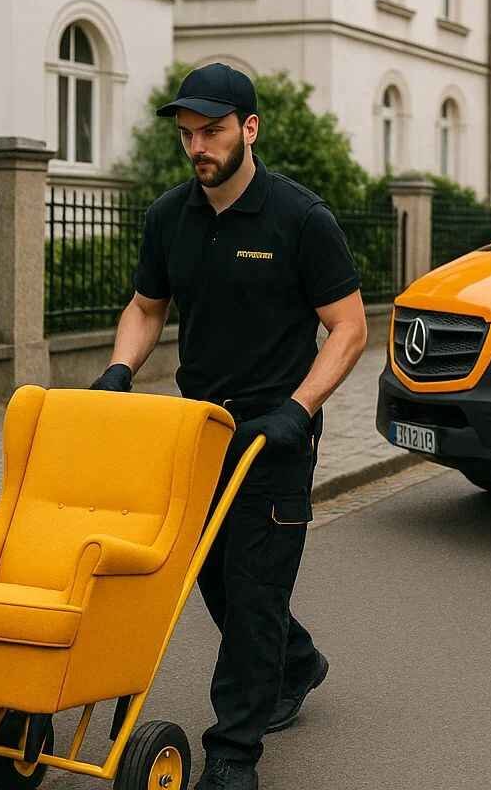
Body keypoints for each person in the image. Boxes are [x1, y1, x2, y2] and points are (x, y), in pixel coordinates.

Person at [89, 62, 367, 790]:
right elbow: (147, 307)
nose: (197, 148)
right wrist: (121, 369)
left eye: (211, 131)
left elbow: (347, 328)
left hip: (274, 436)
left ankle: (234, 754)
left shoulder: (300, 218)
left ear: (249, 129)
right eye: (187, 134)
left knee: (252, 590)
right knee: (217, 581)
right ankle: (297, 663)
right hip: (196, 433)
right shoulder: (168, 217)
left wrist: (295, 409)